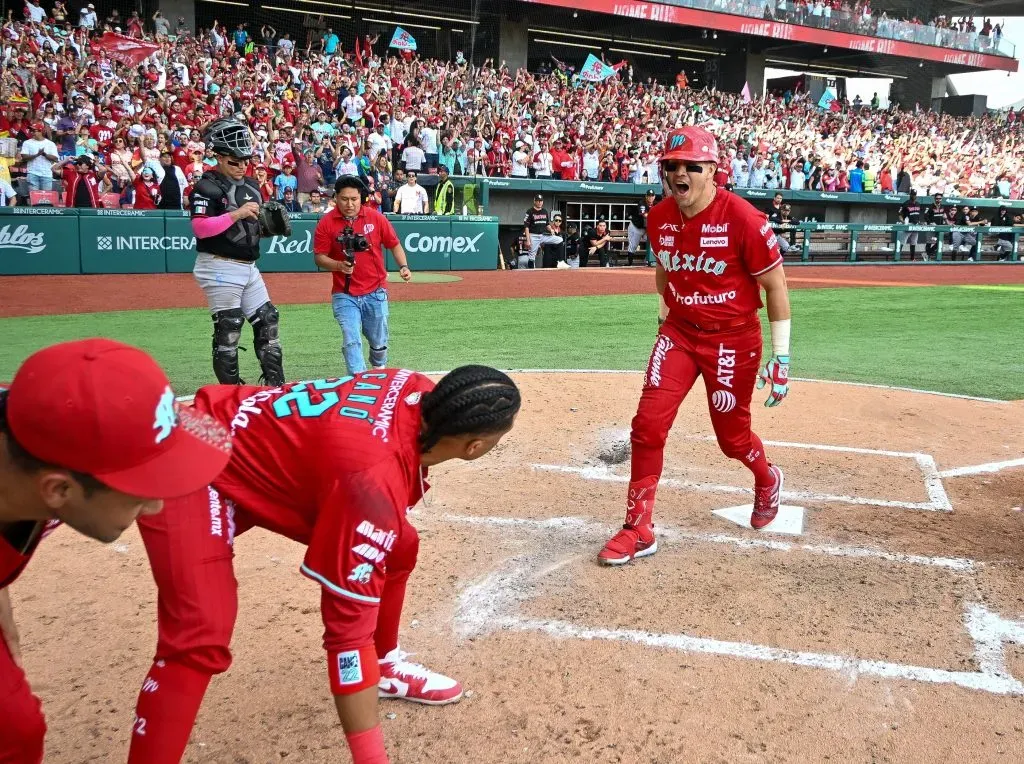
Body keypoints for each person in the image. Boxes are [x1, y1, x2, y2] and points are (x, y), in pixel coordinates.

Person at [127, 366, 521, 764]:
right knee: (199, 634)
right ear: (473, 447)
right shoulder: (371, 484)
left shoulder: (414, 387)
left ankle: (384, 666)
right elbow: (346, 637)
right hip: (193, 464)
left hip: (228, 434)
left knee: (399, 545)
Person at [0, 339, 232, 763]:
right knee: (13, 730)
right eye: (139, 491)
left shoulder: (29, 444)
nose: (158, 505)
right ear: (58, 490)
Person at [598, 126, 792, 566]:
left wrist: (782, 356)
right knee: (647, 424)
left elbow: (776, 287)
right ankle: (638, 527)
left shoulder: (744, 220)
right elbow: (665, 268)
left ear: (713, 171)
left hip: (733, 339)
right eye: (672, 166)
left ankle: (766, 477)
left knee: (732, 438)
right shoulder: (659, 216)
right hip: (680, 333)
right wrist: (663, 315)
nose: (679, 173)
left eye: (691, 166)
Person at [190, 118, 286, 387]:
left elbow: (252, 229)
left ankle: (275, 388)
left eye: (245, 160)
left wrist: (269, 228)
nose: (242, 166)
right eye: (235, 161)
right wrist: (238, 214)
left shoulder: (253, 186)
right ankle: (230, 394)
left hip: (247, 266)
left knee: (268, 320)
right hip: (218, 265)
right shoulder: (206, 187)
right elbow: (200, 228)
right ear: (219, 158)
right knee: (229, 328)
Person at [313, 175, 413, 375]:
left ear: (361, 198)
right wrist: (339, 265)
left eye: (354, 199)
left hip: (375, 291)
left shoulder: (376, 217)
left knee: (379, 340)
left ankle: (378, 366)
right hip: (344, 292)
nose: (349, 204)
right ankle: (359, 381)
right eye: (344, 199)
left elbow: (394, 244)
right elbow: (319, 257)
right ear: (336, 198)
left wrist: (403, 266)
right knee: (351, 338)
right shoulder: (326, 223)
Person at [521, 194, 562, 269]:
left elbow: (547, 224)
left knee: (560, 240)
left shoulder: (544, 211)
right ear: (534, 201)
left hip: (543, 235)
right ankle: (532, 273)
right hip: (533, 235)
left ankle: (560, 261)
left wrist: (551, 230)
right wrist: (528, 240)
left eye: (541, 201)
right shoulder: (530, 211)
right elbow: (526, 227)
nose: (539, 202)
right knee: (531, 257)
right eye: (538, 201)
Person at [627, 189, 656, 266]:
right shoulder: (642, 203)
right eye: (649, 196)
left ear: (654, 197)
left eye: (652, 196)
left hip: (645, 228)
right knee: (633, 246)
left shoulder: (655, 204)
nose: (650, 197)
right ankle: (629, 264)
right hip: (636, 227)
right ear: (646, 196)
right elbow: (645, 215)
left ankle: (650, 260)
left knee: (653, 242)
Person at [897, 189, 923, 261]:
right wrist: (902, 221)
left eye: (914, 194)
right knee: (902, 241)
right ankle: (897, 257)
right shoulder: (906, 203)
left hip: (916, 225)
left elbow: (917, 215)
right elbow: (899, 213)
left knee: (913, 242)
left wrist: (919, 222)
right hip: (908, 224)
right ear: (910, 195)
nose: (913, 196)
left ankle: (912, 258)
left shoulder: (918, 204)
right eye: (912, 194)